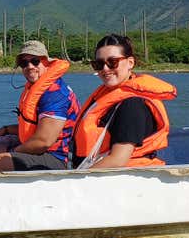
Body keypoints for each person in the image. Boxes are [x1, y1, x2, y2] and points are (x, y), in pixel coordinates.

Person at [71, 34, 177, 169]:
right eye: (98, 64)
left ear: (130, 63)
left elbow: (118, 160)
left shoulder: (132, 105)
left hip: (126, 177)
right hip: (97, 174)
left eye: (112, 62)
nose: (105, 68)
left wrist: (78, 178)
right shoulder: (107, 97)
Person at [0, 40, 80, 171]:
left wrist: (13, 151)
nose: (29, 66)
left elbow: (43, 142)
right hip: (46, 152)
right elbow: (35, 127)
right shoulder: (39, 89)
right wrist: (6, 130)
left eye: (35, 61)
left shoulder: (55, 93)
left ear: (46, 62)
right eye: (24, 63)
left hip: (60, 158)